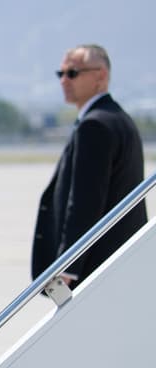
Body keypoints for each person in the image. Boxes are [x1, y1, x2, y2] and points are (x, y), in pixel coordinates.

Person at [32, 43, 146, 284]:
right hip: (121, 261)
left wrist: (68, 266)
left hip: (95, 266)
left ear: (100, 76)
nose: (64, 80)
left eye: (72, 73)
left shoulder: (94, 126)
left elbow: (85, 201)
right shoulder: (119, 119)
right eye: (60, 74)